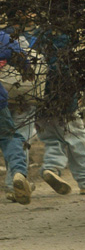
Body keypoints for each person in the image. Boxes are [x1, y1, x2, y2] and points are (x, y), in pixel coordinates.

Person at [27, 29, 85, 196]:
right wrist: (78, 90)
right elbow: (67, 72)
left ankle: (51, 168)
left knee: (52, 139)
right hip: (64, 101)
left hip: (38, 101)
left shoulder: (34, 38)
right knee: (77, 140)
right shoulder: (64, 39)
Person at [0, 27, 35, 205]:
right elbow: (22, 60)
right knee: (10, 138)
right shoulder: (3, 38)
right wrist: (27, 72)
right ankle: (19, 174)